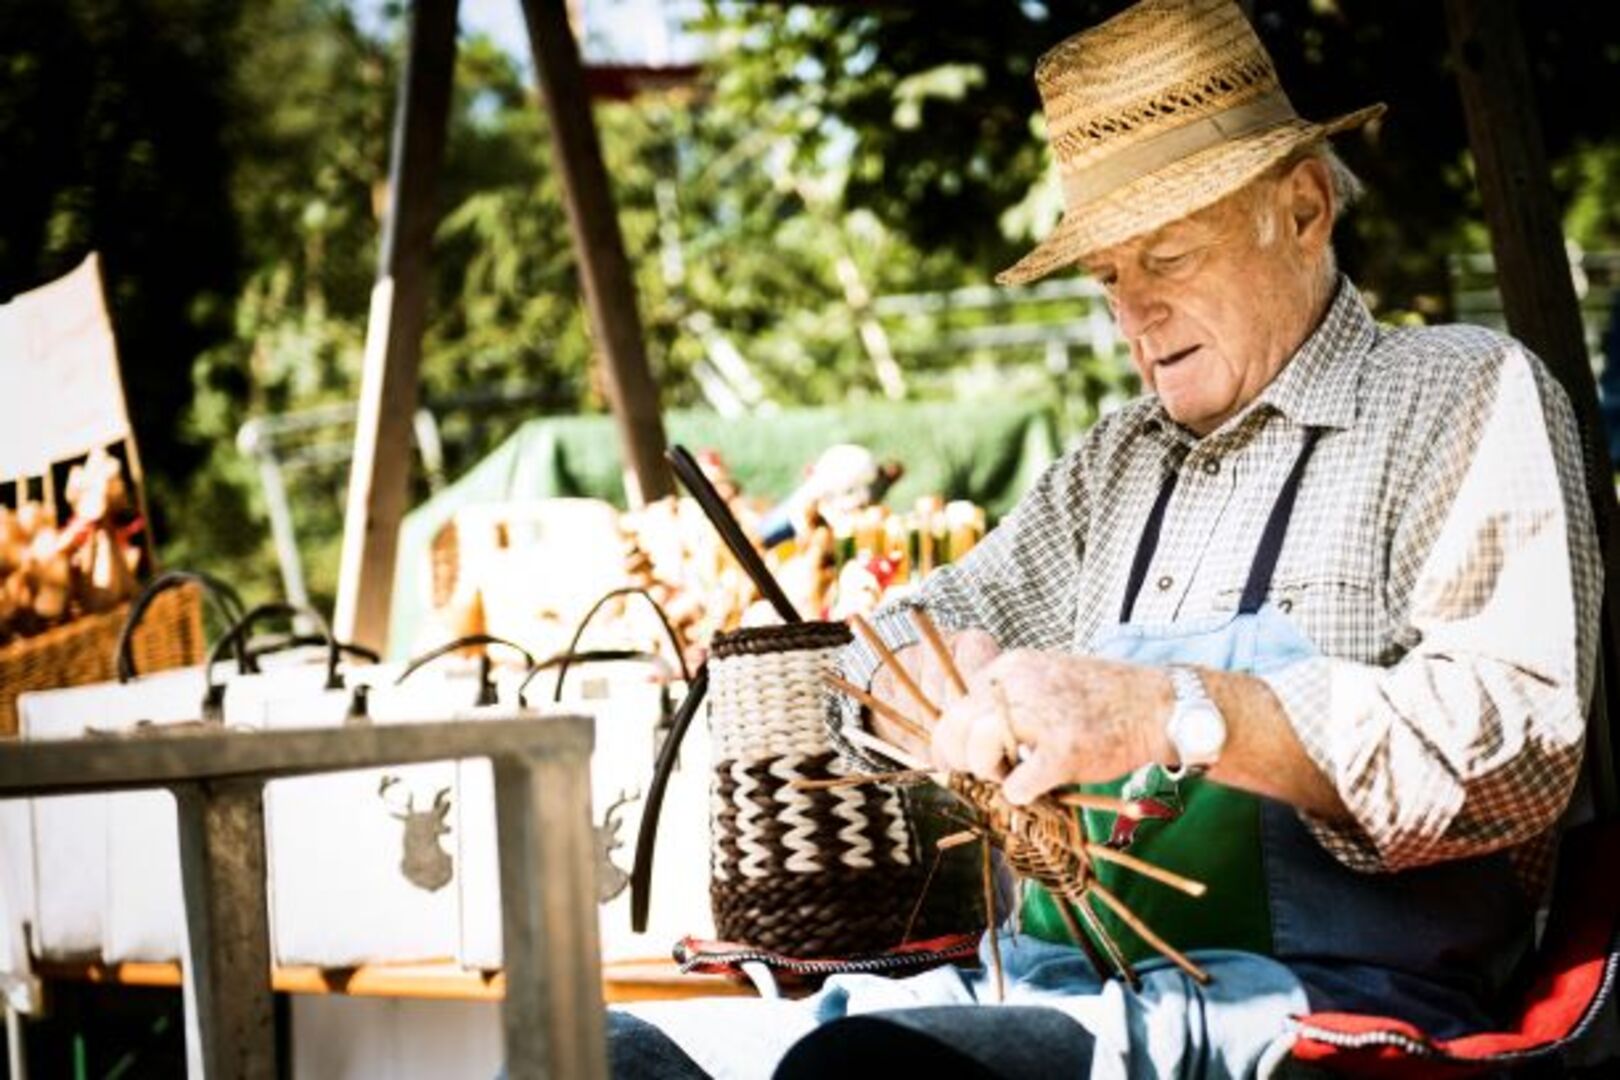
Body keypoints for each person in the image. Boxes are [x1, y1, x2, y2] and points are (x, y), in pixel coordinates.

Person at [609, 0, 1602, 1075]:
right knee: (589, 1047)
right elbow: (890, 638)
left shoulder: (1459, 394)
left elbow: (1512, 744)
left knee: (876, 1071)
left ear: (1305, 208)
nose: (1133, 317)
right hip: (1054, 991)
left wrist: (1178, 709)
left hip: (1302, 1020)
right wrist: (915, 683)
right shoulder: (1118, 463)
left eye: (1166, 258)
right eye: (1109, 279)